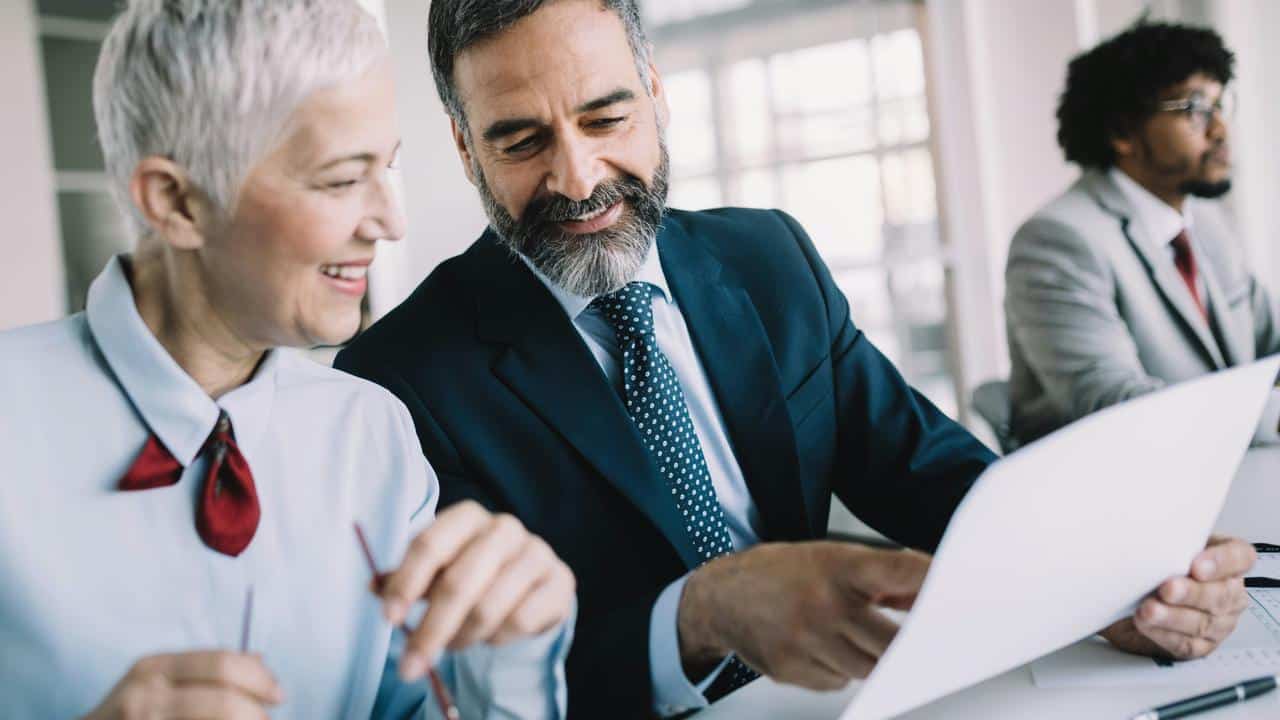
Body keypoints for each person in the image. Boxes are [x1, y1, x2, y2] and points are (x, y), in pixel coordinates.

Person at [335, 2, 1256, 717]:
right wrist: (696, 618)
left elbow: (930, 471)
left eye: (605, 116)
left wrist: (1111, 580)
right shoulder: (394, 385)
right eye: (521, 140)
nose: (577, 178)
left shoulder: (770, 258)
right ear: (464, 148)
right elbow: (458, 681)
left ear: (656, 94)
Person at [0, 1, 576, 718]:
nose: (390, 222)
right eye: (341, 179)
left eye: (386, 168)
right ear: (176, 202)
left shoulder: (374, 432)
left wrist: (510, 659)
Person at [1006, 22, 1280, 448]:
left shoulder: (1206, 223)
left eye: (1221, 106)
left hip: (1226, 470)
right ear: (1122, 132)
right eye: (1195, 109)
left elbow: (1270, 340)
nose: (1221, 130)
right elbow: (1118, 405)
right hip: (1117, 495)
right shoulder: (1056, 242)